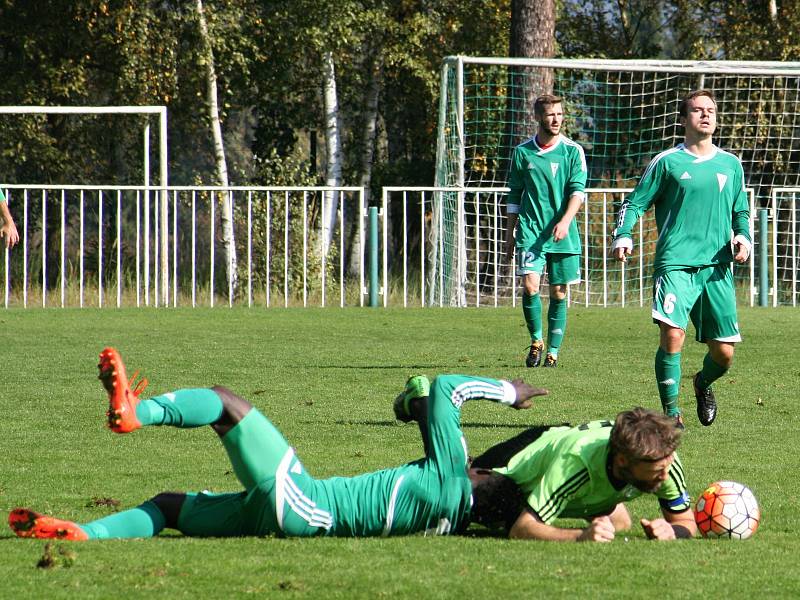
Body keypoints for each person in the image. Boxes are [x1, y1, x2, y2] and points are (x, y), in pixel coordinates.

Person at [8, 348, 546, 542]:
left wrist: (508, 392)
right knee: (169, 509)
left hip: (302, 502)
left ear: (481, 482)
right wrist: (413, 404)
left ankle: (134, 413)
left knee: (223, 404)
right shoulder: (453, 516)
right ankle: (83, 534)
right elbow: (429, 406)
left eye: (487, 470)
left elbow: (447, 390)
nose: (482, 463)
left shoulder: (454, 476)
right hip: (285, 519)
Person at [611, 89, 751, 429]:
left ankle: (702, 383)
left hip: (717, 268)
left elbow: (741, 212)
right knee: (673, 335)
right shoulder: (667, 162)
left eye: (711, 111)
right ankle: (672, 414)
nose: (705, 115)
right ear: (683, 119)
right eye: (697, 110)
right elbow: (635, 203)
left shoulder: (730, 164)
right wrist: (623, 234)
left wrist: (743, 238)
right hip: (675, 263)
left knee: (725, 354)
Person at [404, 391, 697, 542]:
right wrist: (579, 537)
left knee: (619, 523)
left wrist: (675, 532)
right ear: (623, 460)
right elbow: (523, 529)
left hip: (564, 445)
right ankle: (425, 407)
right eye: (658, 466)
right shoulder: (576, 465)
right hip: (520, 464)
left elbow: (686, 522)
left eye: (668, 461)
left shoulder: (662, 456)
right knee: (454, 487)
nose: (666, 471)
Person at [505, 94, 587, 368]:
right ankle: (536, 340)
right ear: (538, 117)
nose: (556, 119)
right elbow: (514, 195)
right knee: (530, 286)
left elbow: (578, 191)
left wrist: (564, 221)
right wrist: (509, 234)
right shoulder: (522, 152)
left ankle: (553, 351)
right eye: (551, 114)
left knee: (559, 293)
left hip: (564, 233)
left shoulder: (573, 151)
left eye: (560, 114)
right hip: (530, 231)